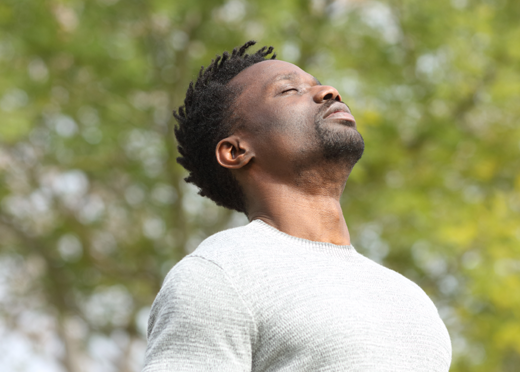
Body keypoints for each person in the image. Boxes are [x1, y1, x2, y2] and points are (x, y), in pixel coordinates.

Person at [143, 41, 452, 371]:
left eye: (319, 84)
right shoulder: (219, 274)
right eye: (289, 90)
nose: (328, 92)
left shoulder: (408, 297)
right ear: (236, 151)